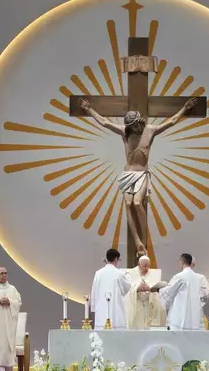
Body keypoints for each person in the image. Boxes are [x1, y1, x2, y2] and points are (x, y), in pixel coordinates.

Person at [80, 97, 198, 257]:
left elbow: (171, 122)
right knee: (128, 204)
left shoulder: (150, 130)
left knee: (137, 203)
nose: (133, 128)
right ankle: (138, 242)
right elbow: (105, 122)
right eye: (130, 126)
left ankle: (144, 240)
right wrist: (89, 110)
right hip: (128, 174)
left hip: (142, 174)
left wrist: (185, 109)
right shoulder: (125, 132)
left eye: (134, 125)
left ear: (138, 121)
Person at [152, 253, 209, 330]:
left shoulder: (179, 277)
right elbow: (205, 295)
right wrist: (196, 304)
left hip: (179, 318)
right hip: (195, 317)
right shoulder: (201, 278)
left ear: (182, 262)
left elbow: (169, 292)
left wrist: (159, 289)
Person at [90, 248, 132, 329]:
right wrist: (128, 276)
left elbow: (94, 290)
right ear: (116, 259)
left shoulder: (98, 273)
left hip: (101, 310)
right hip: (115, 311)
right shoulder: (119, 273)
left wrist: (94, 307)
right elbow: (127, 287)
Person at [124, 255, 167, 329]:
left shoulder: (153, 274)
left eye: (148, 266)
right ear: (138, 265)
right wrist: (137, 289)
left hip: (149, 306)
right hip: (137, 306)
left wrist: (150, 288)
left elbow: (161, 286)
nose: (147, 268)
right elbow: (126, 290)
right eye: (145, 266)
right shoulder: (130, 274)